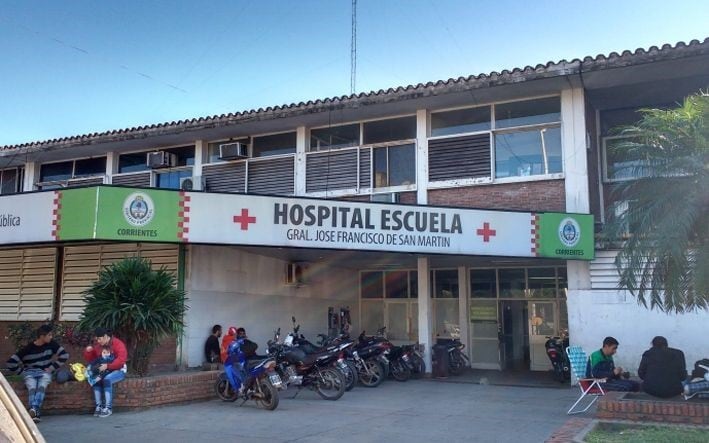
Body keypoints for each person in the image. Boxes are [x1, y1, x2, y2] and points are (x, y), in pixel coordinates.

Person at [5, 324, 70, 422]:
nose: (51, 337)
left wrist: (51, 368)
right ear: (42, 336)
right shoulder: (28, 349)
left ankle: (34, 410)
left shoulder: (52, 344)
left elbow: (64, 355)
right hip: (30, 373)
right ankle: (35, 411)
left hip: (44, 372)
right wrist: (22, 372)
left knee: (41, 386)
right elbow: (10, 363)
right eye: (49, 335)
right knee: (32, 387)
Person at [83, 328, 127, 418]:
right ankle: (98, 406)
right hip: (104, 370)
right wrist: (88, 352)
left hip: (119, 370)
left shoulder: (118, 344)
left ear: (106, 337)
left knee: (107, 380)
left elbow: (121, 361)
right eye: (97, 339)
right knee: (96, 380)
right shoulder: (98, 346)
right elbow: (92, 360)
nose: (98, 341)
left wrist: (108, 366)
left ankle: (108, 408)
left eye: (99, 339)